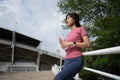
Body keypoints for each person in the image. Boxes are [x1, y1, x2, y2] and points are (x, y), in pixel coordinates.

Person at [54, 13, 91, 80]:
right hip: (67, 60)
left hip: (76, 60)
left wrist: (71, 43)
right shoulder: (69, 34)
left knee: (58, 78)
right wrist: (63, 45)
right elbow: (67, 49)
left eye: (68, 18)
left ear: (75, 19)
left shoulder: (81, 29)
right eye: (66, 18)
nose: (66, 20)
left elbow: (87, 44)